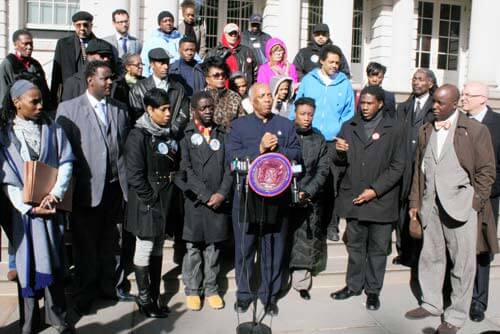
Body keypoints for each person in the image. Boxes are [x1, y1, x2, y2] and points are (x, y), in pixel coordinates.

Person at [405, 84, 496, 334]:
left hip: (461, 207)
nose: (434, 106)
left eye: (440, 103)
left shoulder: (476, 131)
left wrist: (475, 202)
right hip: (430, 204)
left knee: (462, 263)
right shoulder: (426, 130)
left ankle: (455, 316)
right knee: (430, 256)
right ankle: (432, 303)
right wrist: (415, 203)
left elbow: (487, 171)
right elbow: (418, 170)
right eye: (433, 101)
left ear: (454, 104)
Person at [56, 60, 130, 315]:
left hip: (115, 189)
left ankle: (110, 287)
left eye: (112, 79)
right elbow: (61, 152)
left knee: (112, 242)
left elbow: (123, 149)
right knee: (85, 245)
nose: (110, 82)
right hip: (85, 191)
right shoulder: (68, 109)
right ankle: (85, 293)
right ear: (90, 80)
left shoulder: (120, 109)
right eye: (105, 78)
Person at [0, 80, 74, 333]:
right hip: (24, 215)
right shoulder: (5, 135)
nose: (41, 105)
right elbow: (7, 180)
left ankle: (59, 318)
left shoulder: (53, 129)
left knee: (53, 261)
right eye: (34, 101)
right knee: (27, 267)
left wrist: (54, 195)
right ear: (16, 102)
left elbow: (66, 163)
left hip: (50, 208)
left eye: (42, 100)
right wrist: (28, 207)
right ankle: (30, 323)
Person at [228, 83, 301, 316]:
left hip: (277, 199)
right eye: (262, 96)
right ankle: (245, 294)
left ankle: (269, 296)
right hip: (247, 197)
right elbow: (231, 160)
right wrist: (258, 150)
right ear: (252, 101)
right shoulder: (239, 126)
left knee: (274, 249)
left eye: (269, 95)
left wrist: (278, 150)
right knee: (245, 248)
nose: (268, 99)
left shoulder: (285, 125)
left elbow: (297, 155)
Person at [330, 86, 405, 311]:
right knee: (355, 247)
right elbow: (339, 163)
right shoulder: (349, 126)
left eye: (369, 103)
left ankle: (373, 290)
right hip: (354, 197)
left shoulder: (395, 128)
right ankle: (353, 285)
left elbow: (398, 165)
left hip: (381, 200)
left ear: (380, 103)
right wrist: (339, 151)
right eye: (362, 103)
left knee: (378, 248)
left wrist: (375, 190)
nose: (364, 107)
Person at [125, 88, 182, 318]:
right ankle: (145, 297)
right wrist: (151, 199)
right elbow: (135, 174)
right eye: (164, 109)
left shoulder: (164, 134)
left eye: (169, 108)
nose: (169, 113)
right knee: (145, 248)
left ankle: (156, 294)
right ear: (150, 110)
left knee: (158, 247)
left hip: (163, 200)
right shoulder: (138, 135)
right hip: (147, 202)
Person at [291, 44, 355, 242]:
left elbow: (349, 113)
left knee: (332, 185)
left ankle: (332, 225)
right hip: (310, 138)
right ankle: (309, 222)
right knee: (309, 180)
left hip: (332, 141)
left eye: (338, 62)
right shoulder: (309, 80)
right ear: (322, 61)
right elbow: (299, 105)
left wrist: (342, 136)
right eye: (331, 62)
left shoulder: (344, 83)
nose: (335, 66)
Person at [179, 91, 233, 311]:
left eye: (211, 107)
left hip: (218, 200)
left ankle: (211, 288)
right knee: (193, 247)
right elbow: (185, 169)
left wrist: (221, 193)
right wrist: (204, 194)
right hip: (196, 201)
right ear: (194, 110)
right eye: (204, 108)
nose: (209, 111)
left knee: (213, 247)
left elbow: (230, 168)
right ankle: (193, 289)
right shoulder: (185, 135)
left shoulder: (223, 134)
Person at [461, 81, 500, 322]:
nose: (463, 98)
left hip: (487, 199)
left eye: (468, 95)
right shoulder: (458, 122)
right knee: (460, 249)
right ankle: (458, 295)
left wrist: (484, 192)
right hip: (458, 198)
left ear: (483, 99)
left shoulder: (498, 125)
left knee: (481, 251)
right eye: (463, 93)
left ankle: (478, 301)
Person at [395, 68, 437, 272]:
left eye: (421, 79)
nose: (416, 82)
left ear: (430, 83)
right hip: (403, 165)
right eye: (414, 79)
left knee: (418, 208)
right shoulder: (404, 107)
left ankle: (417, 252)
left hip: (423, 168)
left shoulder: (435, 108)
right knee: (402, 208)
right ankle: (403, 250)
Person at [289, 97, 329, 301]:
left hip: (309, 195)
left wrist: (308, 191)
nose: (306, 118)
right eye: (302, 114)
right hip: (285, 194)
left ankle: (301, 282)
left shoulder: (318, 139)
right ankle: (280, 278)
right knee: (285, 238)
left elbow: (323, 169)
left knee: (305, 239)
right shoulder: (285, 133)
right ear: (294, 113)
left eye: (310, 114)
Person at [129, 48, 190, 137]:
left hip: (173, 138)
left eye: (167, 62)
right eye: (162, 63)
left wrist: (172, 130)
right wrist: (154, 131)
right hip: (148, 138)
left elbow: (184, 114)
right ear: (152, 64)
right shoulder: (138, 88)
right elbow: (137, 115)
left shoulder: (178, 88)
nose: (166, 67)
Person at [61, 38, 129, 106]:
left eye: (108, 56)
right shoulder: (73, 83)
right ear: (89, 56)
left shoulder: (116, 83)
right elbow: (67, 111)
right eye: (102, 55)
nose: (106, 59)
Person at [51, 11, 100, 104]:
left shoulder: (100, 45)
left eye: (85, 25)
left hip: (92, 94)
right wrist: (53, 99)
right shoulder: (63, 44)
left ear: (91, 25)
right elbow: (56, 74)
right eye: (78, 25)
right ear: (74, 25)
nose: (82, 28)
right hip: (70, 94)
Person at [0, 30, 51, 111]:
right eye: (25, 44)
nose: (29, 47)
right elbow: (3, 95)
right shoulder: (8, 64)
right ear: (16, 45)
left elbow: (45, 92)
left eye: (31, 44)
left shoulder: (35, 65)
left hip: (38, 112)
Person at [201, 56, 244, 129]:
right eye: (216, 75)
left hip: (231, 137)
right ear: (207, 79)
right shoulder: (200, 98)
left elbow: (242, 122)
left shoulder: (234, 97)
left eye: (223, 75)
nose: (221, 78)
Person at [141, 11, 182, 77]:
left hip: (179, 77)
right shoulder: (151, 41)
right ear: (160, 24)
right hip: (158, 77)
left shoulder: (180, 39)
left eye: (170, 21)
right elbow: (144, 61)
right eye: (165, 21)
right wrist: (146, 79)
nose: (168, 23)